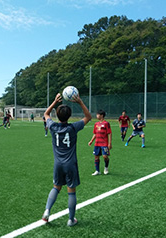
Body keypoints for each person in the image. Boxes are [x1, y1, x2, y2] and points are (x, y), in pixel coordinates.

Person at [42, 93, 91, 227]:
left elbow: (46, 115)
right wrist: (80, 102)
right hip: (70, 165)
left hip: (58, 164)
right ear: (69, 116)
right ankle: (71, 219)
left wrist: (54, 102)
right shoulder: (73, 128)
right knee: (71, 192)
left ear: (57, 115)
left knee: (56, 188)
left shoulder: (53, 127)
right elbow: (88, 117)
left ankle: (47, 211)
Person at [88, 110, 112, 176]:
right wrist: (91, 141)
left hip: (104, 143)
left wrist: (110, 143)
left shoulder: (106, 123)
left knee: (105, 156)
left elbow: (109, 133)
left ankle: (106, 168)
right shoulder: (96, 124)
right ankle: (97, 171)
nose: (96, 116)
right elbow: (95, 133)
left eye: (97, 114)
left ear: (101, 115)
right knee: (96, 157)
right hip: (97, 143)